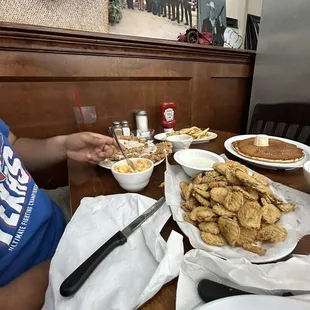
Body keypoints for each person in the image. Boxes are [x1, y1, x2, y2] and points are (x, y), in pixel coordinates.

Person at [0, 118, 116, 309]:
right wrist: (65, 264)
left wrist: (64, 146)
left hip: (59, 215)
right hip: (44, 281)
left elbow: (12, 144)